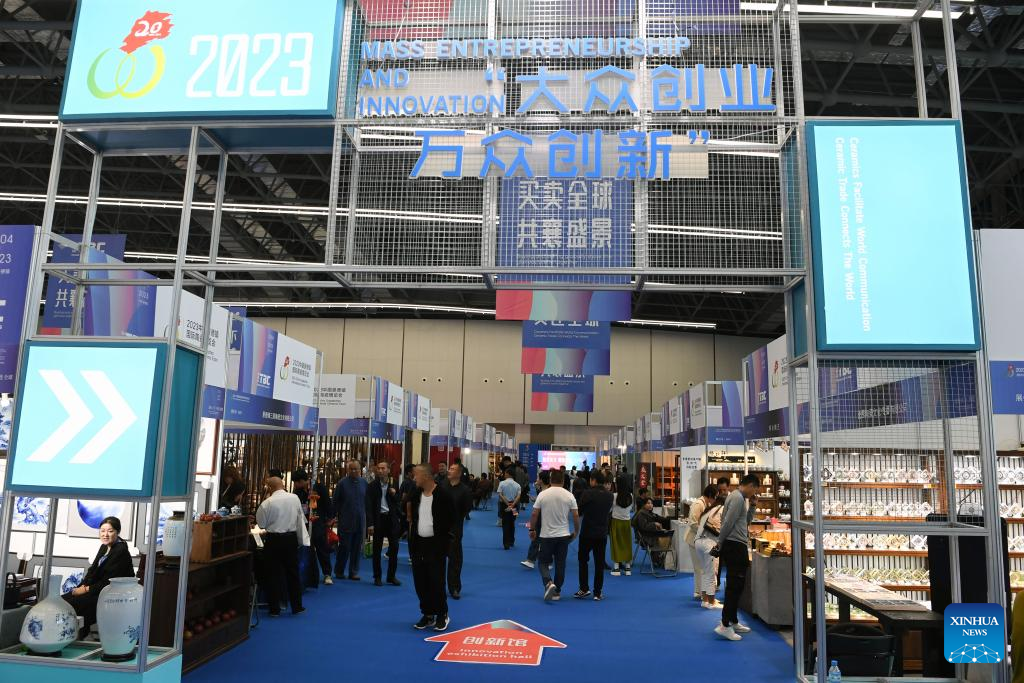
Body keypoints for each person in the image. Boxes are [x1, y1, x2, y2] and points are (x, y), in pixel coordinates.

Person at [63, 516, 134, 634]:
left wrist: (85, 589)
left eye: (110, 531)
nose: (105, 534)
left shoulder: (120, 551)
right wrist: (82, 586)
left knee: (72, 604)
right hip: (98, 589)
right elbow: (92, 570)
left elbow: (108, 582)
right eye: (102, 531)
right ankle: (76, 633)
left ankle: (78, 635)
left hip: (112, 594)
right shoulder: (104, 546)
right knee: (63, 600)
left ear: (117, 532)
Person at [407, 464, 455, 632]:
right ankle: (427, 614)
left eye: (417, 475)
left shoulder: (443, 495)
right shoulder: (416, 494)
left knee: (436, 581)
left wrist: (444, 540)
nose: (414, 478)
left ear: (426, 476)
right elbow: (407, 506)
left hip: (436, 545)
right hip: (418, 543)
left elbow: (452, 518)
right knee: (420, 581)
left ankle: (442, 614)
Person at [713, 474, 760, 641]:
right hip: (734, 545)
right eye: (755, 489)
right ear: (751, 485)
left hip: (736, 544)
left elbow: (744, 521)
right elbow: (727, 522)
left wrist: (753, 506)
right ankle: (725, 624)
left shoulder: (738, 498)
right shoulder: (738, 498)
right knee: (734, 586)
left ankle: (732, 620)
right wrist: (720, 542)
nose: (754, 493)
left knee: (737, 585)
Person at [255, 477, 309, 616]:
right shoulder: (294, 498)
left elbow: (261, 524)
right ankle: (297, 606)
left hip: (273, 540)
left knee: (272, 574)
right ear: (283, 484)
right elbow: (300, 518)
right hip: (290, 538)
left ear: (269, 487)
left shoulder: (267, 503)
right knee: (293, 573)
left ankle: (274, 609)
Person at [529, 469, 579, 602]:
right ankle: (557, 592)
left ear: (550, 480)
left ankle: (548, 582)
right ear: (563, 480)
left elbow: (534, 514)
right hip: (563, 535)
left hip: (546, 535)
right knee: (560, 564)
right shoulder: (569, 496)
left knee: (543, 562)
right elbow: (575, 516)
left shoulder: (543, 494)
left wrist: (532, 530)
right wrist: (576, 531)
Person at [575, 470, 613, 600]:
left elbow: (580, 510)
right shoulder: (609, 495)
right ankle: (597, 592)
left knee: (583, 561)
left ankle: (584, 588)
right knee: (599, 563)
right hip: (602, 532)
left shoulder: (587, 493)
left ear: (593, 480)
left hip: (587, 531)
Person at [292, 469, 333, 585]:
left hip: (318, 522)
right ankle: (307, 575)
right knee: (305, 548)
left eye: (296, 482)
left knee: (321, 547)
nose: (295, 485)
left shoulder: (319, 487)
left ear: (302, 481)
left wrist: (330, 518)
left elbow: (327, 503)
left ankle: (327, 574)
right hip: (304, 523)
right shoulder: (297, 492)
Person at [367, 460, 402, 587]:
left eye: (383, 468)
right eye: (379, 468)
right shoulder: (372, 485)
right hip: (378, 519)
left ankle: (391, 576)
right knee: (377, 549)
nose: (380, 470)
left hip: (391, 519)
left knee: (394, 548)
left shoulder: (394, 483)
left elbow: (398, 501)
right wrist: (370, 524)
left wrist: (394, 494)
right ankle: (377, 577)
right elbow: (368, 506)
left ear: (388, 470)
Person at [441, 462, 473, 599]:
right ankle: (438, 587)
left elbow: (467, 508)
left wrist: (456, 518)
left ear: (459, 473)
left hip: (455, 529)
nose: (449, 470)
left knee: (455, 559)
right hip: (439, 528)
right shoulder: (442, 486)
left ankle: (454, 587)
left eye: (453, 469)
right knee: (437, 560)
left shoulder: (465, 490)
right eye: (449, 468)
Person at [333, 460, 368, 581]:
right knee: (344, 547)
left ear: (360, 470)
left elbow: (367, 502)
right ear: (348, 470)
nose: (354, 471)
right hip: (345, 521)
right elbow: (335, 502)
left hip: (360, 521)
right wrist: (333, 517)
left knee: (357, 548)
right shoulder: (342, 483)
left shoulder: (364, 483)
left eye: (356, 469)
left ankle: (353, 572)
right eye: (351, 469)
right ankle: (339, 571)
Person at [686, 485, 719, 600]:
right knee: (699, 568)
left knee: (703, 567)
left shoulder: (705, 504)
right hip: (694, 539)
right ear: (710, 495)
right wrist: (706, 532)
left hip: (701, 538)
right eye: (715, 496)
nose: (715, 499)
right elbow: (693, 523)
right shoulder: (698, 504)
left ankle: (700, 592)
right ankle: (700, 593)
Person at [695, 496, 726, 609]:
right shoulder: (722, 509)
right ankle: (712, 602)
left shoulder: (708, 510)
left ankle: (705, 600)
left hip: (698, 542)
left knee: (705, 572)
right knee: (712, 573)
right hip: (709, 543)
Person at [521, 469, 550, 569]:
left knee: (537, 538)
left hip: (542, 517)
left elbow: (535, 513)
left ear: (541, 480)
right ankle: (544, 561)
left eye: (538, 477)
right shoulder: (545, 491)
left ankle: (532, 560)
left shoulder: (544, 492)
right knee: (544, 540)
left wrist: (531, 528)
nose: (536, 479)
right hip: (547, 518)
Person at [633, 497, 673, 567]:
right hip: (644, 536)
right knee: (664, 538)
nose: (650, 505)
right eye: (648, 503)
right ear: (644, 504)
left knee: (664, 534)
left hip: (650, 534)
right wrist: (654, 524)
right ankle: (658, 559)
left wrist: (670, 519)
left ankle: (658, 559)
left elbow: (658, 518)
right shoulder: (641, 514)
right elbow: (644, 526)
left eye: (651, 503)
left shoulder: (649, 513)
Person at [609, 487, 633, 576]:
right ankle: (628, 568)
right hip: (627, 522)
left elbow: (610, 509)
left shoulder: (614, 496)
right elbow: (631, 508)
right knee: (627, 544)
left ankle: (616, 568)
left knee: (615, 544)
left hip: (616, 521)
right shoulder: (631, 496)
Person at [497, 468, 522, 550]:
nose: (504, 474)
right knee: (512, 522)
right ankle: (511, 541)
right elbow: (518, 496)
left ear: (508, 474)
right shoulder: (517, 485)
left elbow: (500, 494)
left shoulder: (502, 483)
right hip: (515, 506)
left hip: (504, 505)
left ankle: (506, 544)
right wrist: (512, 505)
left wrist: (507, 504)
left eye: (505, 473)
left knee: (505, 524)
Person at [399, 463, 418, 536]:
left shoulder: (409, 482)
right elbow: (404, 497)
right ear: (409, 473)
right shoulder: (408, 483)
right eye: (415, 471)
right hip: (405, 511)